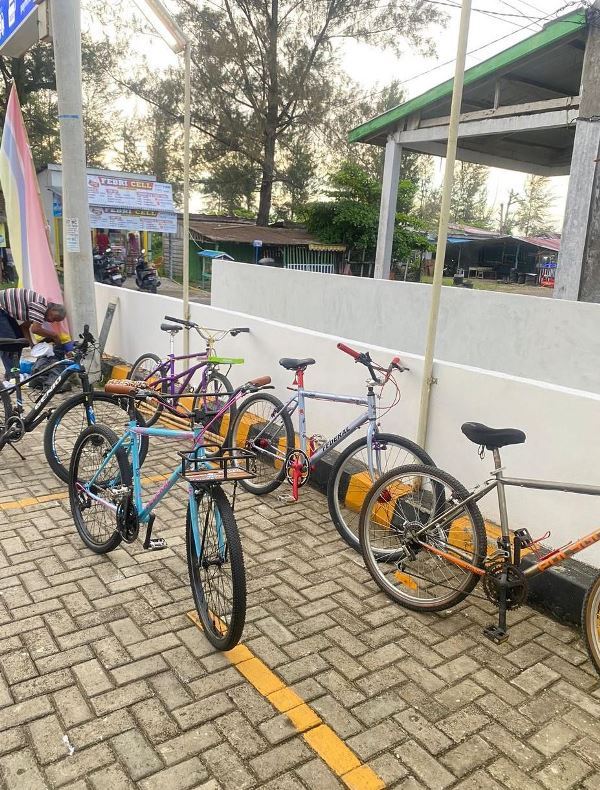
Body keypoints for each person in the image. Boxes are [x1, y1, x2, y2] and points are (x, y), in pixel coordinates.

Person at [0, 288, 67, 382]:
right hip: (1, 309)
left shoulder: (38, 309)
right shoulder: (41, 306)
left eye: (55, 321)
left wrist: (32, 345)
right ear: (52, 308)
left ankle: (12, 373)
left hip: (4, 312)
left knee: (20, 341)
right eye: (54, 317)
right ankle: (12, 376)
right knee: (10, 344)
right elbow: (35, 329)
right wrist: (55, 336)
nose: (52, 321)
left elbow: (25, 327)